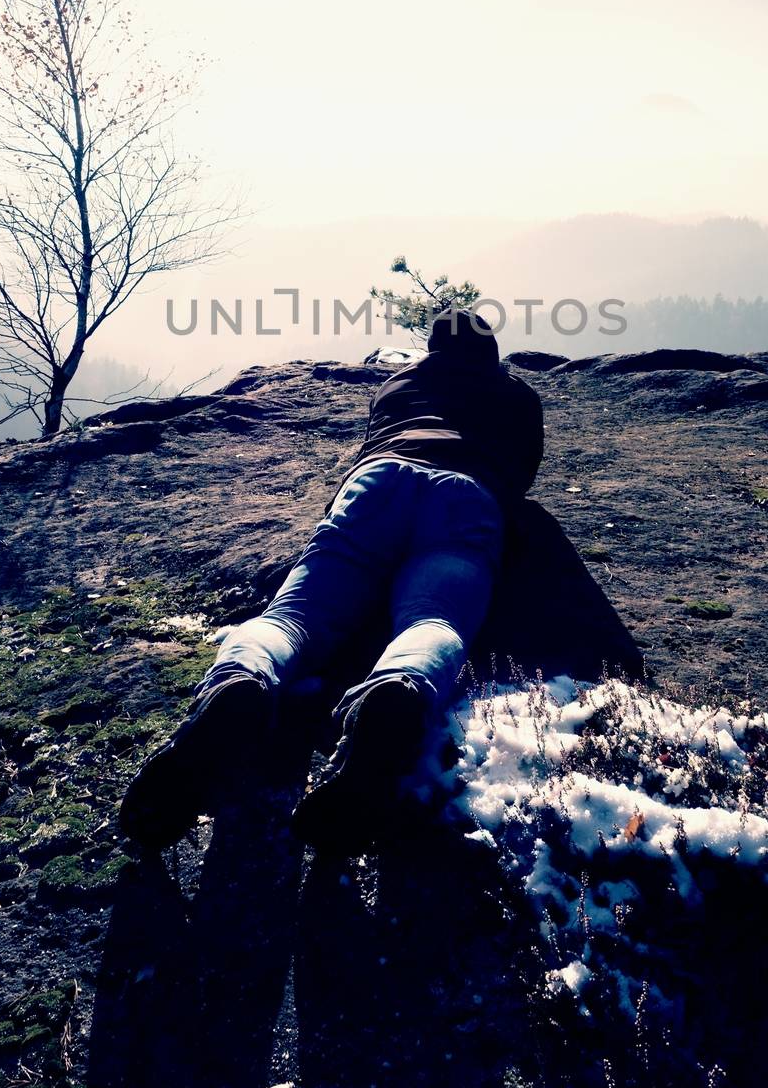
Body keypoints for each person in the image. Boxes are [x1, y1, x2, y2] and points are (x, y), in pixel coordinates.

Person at [118, 306, 545, 853]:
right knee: (433, 618)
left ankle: (240, 681)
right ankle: (395, 692)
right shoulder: (516, 394)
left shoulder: (398, 382)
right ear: (491, 352)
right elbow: (525, 475)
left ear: (433, 349)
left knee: (292, 618)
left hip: (378, 481)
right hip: (466, 494)